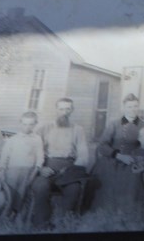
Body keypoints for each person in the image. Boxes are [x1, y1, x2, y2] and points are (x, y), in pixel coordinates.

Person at [26, 97, 94, 228]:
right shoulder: (44, 128)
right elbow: (32, 151)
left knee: (74, 189)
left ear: (72, 110)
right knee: (40, 186)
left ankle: (64, 222)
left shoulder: (78, 129)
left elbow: (83, 154)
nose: (64, 112)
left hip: (68, 169)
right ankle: (42, 223)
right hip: (47, 167)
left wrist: (72, 170)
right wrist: (41, 168)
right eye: (61, 109)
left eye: (68, 109)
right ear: (56, 110)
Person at [97, 93, 144, 212]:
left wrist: (138, 159)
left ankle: (130, 211)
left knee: (133, 181)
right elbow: (102, 145)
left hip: (134, 162)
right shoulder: (114, 124)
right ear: (124, 108)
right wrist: (118, 155)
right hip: (112, 161)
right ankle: (107, 212)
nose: (133, 109)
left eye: (135, 106)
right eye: (129, 107)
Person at [0, 110, 45, 221]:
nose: (27, 127)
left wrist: (35, 171)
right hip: (11, 171)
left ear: (35, 124)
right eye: (24, 124)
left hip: (28, 171)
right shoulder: (12, 138)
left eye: (30, 124)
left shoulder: (37, 139)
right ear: (20, 123)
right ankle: (4, 217)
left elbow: (40, 157)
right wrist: (2, 171)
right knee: (10, 194)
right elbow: (4, 156)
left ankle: (17, 217)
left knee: (22, 194)